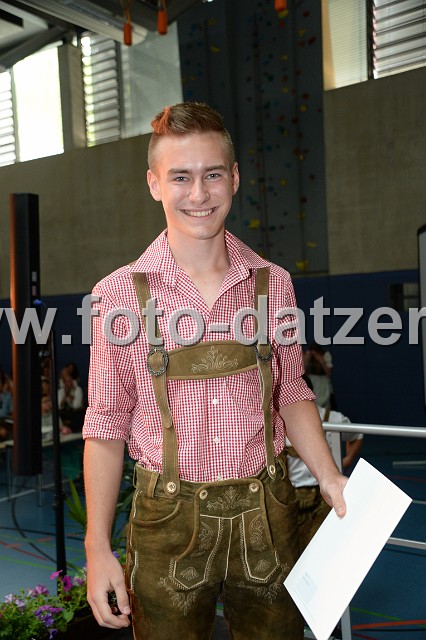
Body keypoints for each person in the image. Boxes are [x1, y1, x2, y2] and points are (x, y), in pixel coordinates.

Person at [82, 102, 348, 640]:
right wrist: (96, 547)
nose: (199, 194)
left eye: (212, 175)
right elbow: (106, 424)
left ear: (235, 178)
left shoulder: (271, 283)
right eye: (180, 176)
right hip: (166, 524)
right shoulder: (117, 295)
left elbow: (291, 391)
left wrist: (328, 475)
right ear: (154, 184)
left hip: (268, 514)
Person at [286, 377, 363, 552]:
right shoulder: (277, 421)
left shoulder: (332, 418)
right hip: (294, 495)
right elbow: (357, 435)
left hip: (324, 494)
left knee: (320, 545)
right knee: (302, 546)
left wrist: (347, 460)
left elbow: (357, 435)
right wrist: (348, 459)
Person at [303, 341, 334, 408]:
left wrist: (320, 359)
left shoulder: (325, 355)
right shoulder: (307, 356)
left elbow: (329, 372)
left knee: (325, 402)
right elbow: (303, 372)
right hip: (312, 381)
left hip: (323, 382)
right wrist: (306, 360)